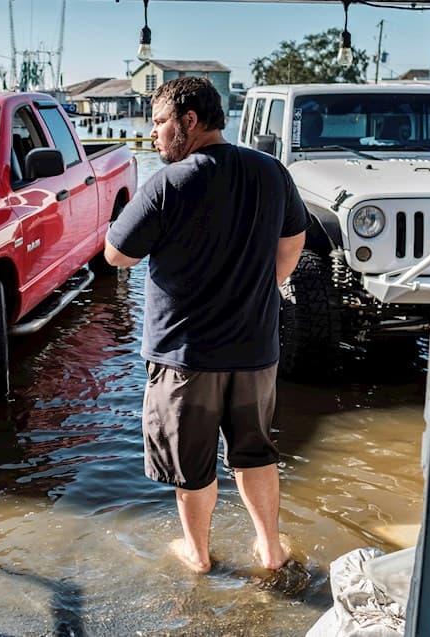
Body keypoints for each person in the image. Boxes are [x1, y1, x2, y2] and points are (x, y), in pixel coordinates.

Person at [103, 76, 309, 574]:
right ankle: (272, 551)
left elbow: (117, 255)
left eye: (158, 122)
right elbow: (294, 240)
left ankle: (197, 555)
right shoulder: (271, 171)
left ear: (188, 121)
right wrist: (262, 287)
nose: (153, 134)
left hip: (186, 358)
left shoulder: (168, 183)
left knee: (191, 468)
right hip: (256, 350)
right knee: (255, 453)